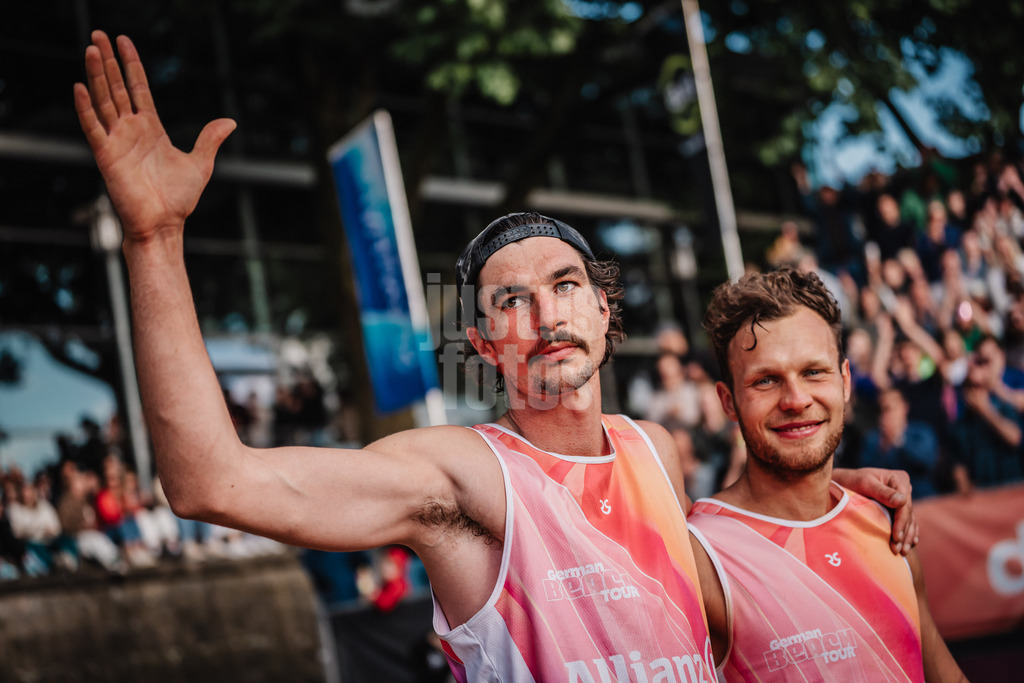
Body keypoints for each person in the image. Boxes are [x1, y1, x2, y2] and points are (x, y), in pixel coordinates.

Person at [75, 32, 917, 681]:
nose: (545, 314)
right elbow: (209, 482)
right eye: (511, 301)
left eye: (563, 285)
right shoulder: (460, 476)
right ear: (483, 346)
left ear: (602, 309)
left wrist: (831, 484)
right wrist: (154, 238)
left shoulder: (655, 451)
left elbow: (734, 555)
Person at [687, 267, 964, 681]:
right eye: (766, 380)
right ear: (728, 402)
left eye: (814, 372)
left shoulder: (885, 520)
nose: (796, 400)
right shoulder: (699, 554)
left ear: (845, 381)